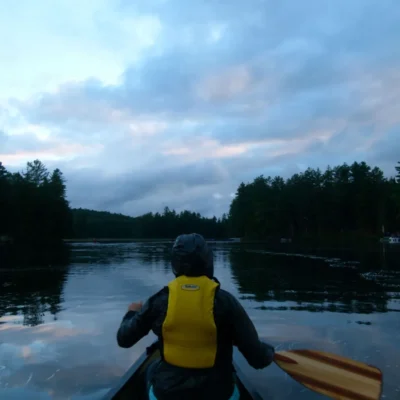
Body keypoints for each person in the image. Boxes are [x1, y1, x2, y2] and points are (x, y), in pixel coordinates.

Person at [117, 233, 275, 400]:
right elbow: (258, 359)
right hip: (219, 394)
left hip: (168, 394)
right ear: (208, 262)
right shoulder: (226, 302)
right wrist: (270, 351)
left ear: (175, 265)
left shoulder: (159, 301)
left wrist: (132, 312)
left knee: (151, 369)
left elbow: (124, 339)